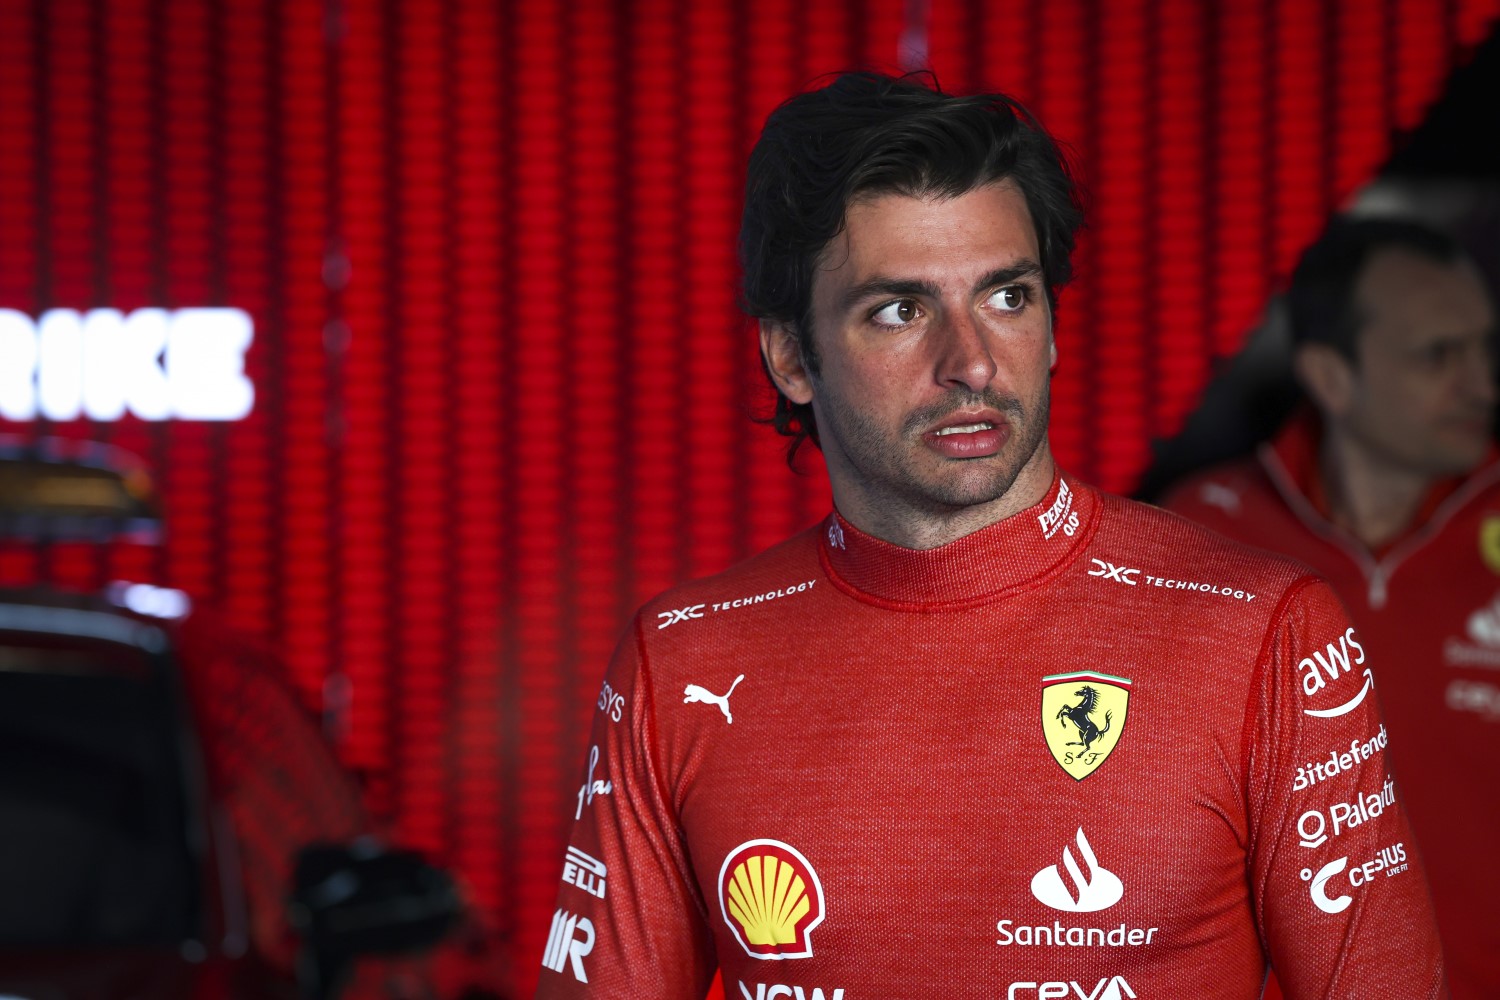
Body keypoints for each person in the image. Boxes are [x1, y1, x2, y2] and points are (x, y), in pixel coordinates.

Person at [537, 73, 1445, 999]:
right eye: (900, 309)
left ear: (1050, 325)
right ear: (790, 355)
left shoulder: (1266, 635)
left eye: (1007, 296)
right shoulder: (678, 666)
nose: (971, 362)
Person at [1164, 216, 1497, 1000]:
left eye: (1487, 348)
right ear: (1330, 376)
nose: (1483, 383)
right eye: (1440, 355)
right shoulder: (1202, 533)